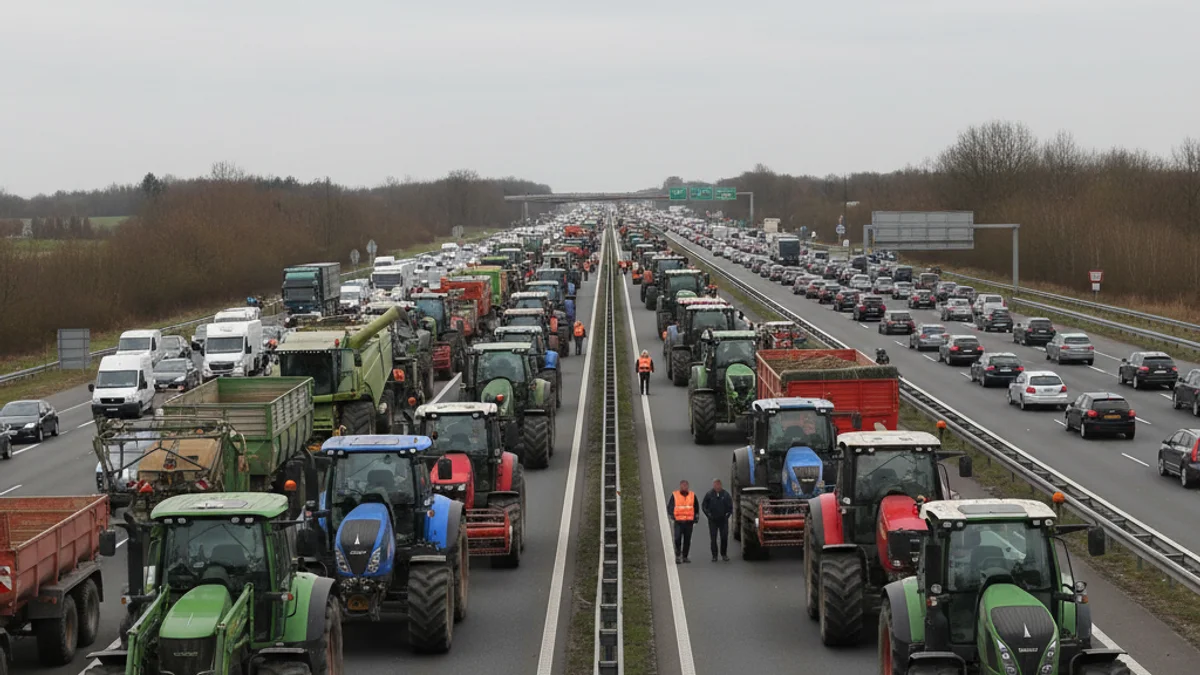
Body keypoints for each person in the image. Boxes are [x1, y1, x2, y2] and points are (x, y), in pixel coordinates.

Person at [702, 478, 733, 562]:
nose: (717, 487)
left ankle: (724, 554)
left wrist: (727, 514)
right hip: (713, 520)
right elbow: (704, 506)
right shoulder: (709, 495)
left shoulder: (725, 495)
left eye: (718, 485)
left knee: (724, 537)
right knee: (713, 538)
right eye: (715, 485)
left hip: (723, 520)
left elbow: (730, 506)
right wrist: (708, 515)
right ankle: (714, 555)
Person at [667, 479, 698, 564]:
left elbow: (696, 507)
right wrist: (672, 516)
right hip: (679, 522)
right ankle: (678, 555)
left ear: (688, 486)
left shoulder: (692, 495)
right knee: (677, 538)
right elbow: (670, 507)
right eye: (683, 485)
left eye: (686, 485)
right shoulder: (675, 495)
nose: (684, 487)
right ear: (680, 486)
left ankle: (685, 556)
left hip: (689, 522)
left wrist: (695, 518)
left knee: (687, 540)